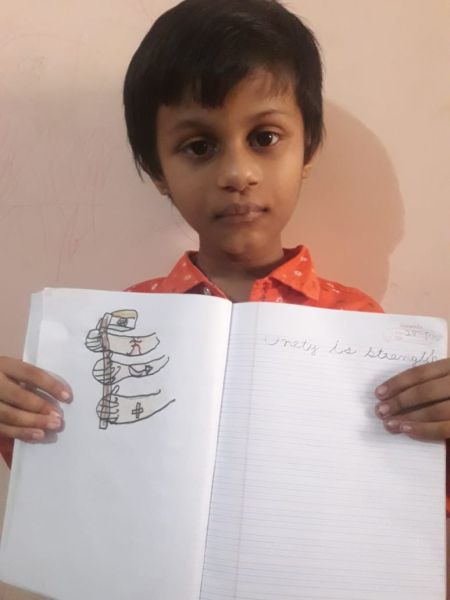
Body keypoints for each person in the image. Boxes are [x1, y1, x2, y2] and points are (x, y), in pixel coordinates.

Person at [0, 0, 449, 530]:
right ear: (158, 171)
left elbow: (398, 502)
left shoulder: (360, 324)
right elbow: (75, 487)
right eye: (199, 146)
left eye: (264, 138)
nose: (237, 173)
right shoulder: (119, 325)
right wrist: (15, 418)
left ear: (308, 150)